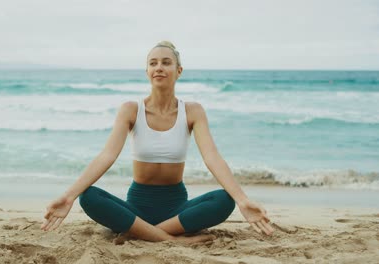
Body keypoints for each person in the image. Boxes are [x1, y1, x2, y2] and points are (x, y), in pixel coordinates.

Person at [40, 41, 274, 243]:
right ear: (147, 71)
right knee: (89, 196)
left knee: (225, 200)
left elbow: (212, 157)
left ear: (179, 70)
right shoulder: (131, 110)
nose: (159, 67)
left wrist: (243, 200)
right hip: (135, 210)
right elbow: (107, 156)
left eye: (166, 62)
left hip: (178, 213)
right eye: (153, 63)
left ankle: (142, 234)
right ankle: (168, 239)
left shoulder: (192, 111)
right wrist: (69, 196)